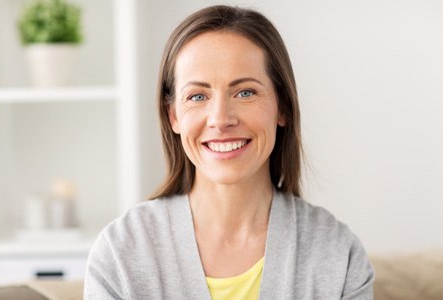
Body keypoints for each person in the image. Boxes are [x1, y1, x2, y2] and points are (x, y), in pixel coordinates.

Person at [84, 5, 374, 300]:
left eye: (245, 92)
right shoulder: (120, 254)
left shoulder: (338, 255)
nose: (221, 119)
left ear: (282, 106)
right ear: (173, 117)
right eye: (198, 96)